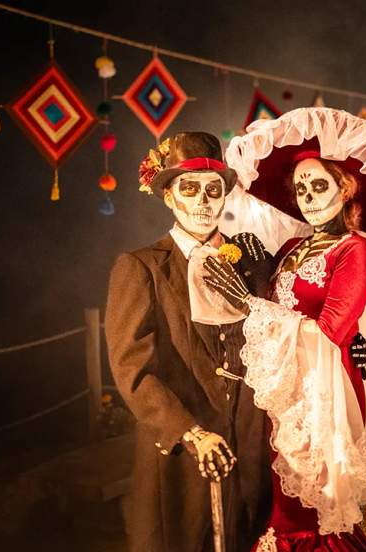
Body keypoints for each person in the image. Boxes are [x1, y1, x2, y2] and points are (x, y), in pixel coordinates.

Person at [201, 108, 366, 551]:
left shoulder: (356, 251)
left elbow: (331, 330)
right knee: (283, 506)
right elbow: (282, 311)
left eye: (320, 185)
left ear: (345, 187)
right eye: (300, 188)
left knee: (315, 515)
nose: (308, 197)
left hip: (325, 394)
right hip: (284, 392)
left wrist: (248, 305)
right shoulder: (293, 247)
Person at [104, 131, 274, 552]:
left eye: (213, 190)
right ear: (169, 197)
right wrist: (189, 432)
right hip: (182, 451)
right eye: (190, 189)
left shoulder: (250, 258)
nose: (203, 201)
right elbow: (133, 369)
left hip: (251, 444)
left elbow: (274, 337)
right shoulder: (141, 267)